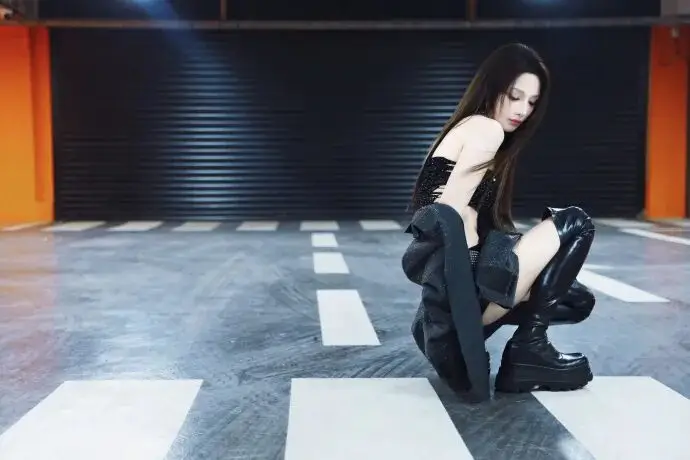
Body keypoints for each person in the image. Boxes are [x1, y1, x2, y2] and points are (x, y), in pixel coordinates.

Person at [401, 43, 596, 401]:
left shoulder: (469, 130)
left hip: (438, 322)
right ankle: (528, 350)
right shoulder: (485, 130)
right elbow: (446, 221)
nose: (522, 110)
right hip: (456, 308)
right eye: (514, 96)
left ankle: (528, 349)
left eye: (532, 102)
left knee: (574, 298)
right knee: (576, 223)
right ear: (492, 88)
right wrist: (461, 339)